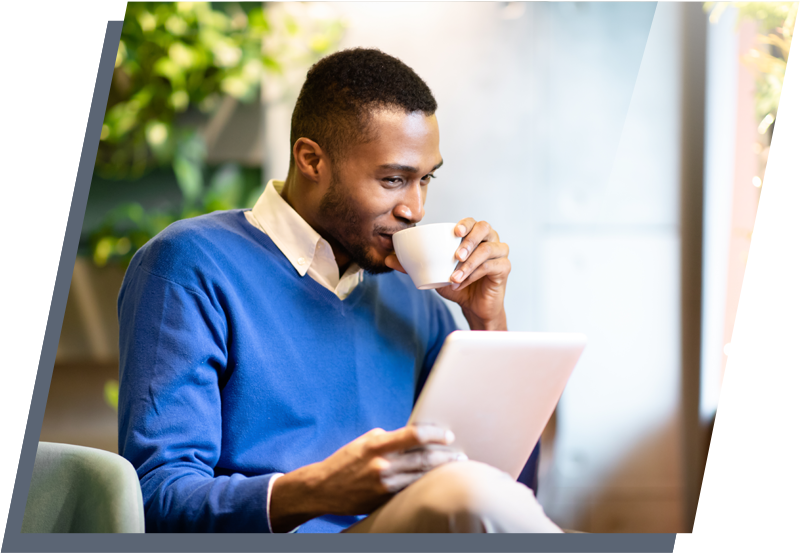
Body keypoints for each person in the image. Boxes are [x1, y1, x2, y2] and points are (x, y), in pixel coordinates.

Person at [118, 47, 561, 534]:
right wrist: (317, 490)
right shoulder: (190, 264)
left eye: (425, 179)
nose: (415, 208)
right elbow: (156, 499)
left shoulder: (413, 293)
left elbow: (507, 490)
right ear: (311, 160)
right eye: (394, 179)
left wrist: (486, 324)